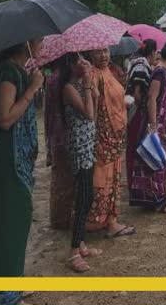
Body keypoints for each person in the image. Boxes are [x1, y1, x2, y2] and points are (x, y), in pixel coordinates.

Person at [0, 38, 44, 305]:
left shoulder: (19, 71)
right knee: (5, 228)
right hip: (7, 165)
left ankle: (11, 287)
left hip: (19, 163)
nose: (43, 44)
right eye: (40, 39)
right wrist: (33, 89)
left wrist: (32, 83)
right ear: (25, 42)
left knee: (17, 225)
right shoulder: (7, 72)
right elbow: (5, 119)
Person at [58, 52, 103, 272]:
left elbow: (95, 102)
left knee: (88, 195)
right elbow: (89, 114)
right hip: (79, 145)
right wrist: (86, 85)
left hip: (88, 143)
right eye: (77, 60)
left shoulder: (78, 83)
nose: (82, 63)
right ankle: (73, 251)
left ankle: (81, 243)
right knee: (84, 196)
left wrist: (90, 85)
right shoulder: (67, 87)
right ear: (69, 65)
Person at [84, 47, 135, 238]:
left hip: (117, 134)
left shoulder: (110, 71)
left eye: (105, 51)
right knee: (102, 179)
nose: (103, 55)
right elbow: (93, 110)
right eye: (98, 52)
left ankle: (111, 220)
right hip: (103, 136)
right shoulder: (92, 75)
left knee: (114, 177)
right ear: (90, 55)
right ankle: (98, 221)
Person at [127, 41, 166, 212]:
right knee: (156, 162)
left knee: (161, 162)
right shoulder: (159, 73)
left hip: (165, 126)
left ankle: (161, 196)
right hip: (158, 126)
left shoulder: (165, 72)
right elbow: (151, 98)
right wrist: (152, 125)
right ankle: (158, 201)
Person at [44, 64, 74, 231]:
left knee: (60, 177)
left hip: (56, 131)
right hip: (68, 130)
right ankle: (65, 218)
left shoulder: (52, 78)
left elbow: (48, 111)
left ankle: (59, 218)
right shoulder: (65, 80)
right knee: (68, 176)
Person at [125, 39, 157, 189]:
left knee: (135, 144)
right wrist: (144, 108)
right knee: (135, 144)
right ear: (152, 52)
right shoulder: (141, 66)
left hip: (135, 109)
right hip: (136, 111)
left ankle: (135, 181)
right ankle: (134, 182)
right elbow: (138, 92)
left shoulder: (138, 63)